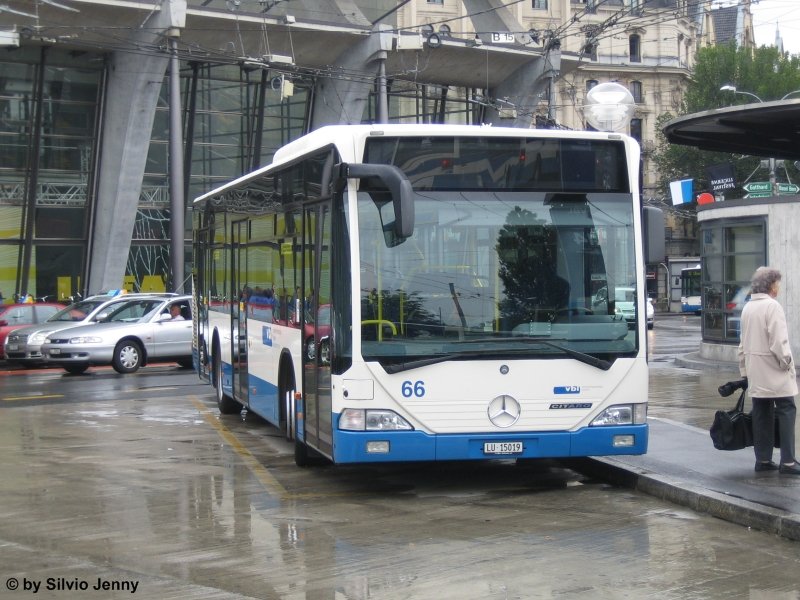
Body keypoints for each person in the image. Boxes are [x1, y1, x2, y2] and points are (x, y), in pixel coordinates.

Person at [738, 266, 800, 475]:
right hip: (775, 370)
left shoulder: (748, 307)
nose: (779, 287)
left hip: (756, 370)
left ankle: (763, 459)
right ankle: (788, 461)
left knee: (761, 413)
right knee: (787, 409)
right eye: (778, 283)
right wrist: (788, 364)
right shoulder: (772, 307)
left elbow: (742, 344)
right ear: (772, 285)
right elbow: (779, 342)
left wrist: (744, 372)